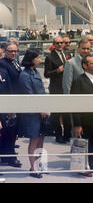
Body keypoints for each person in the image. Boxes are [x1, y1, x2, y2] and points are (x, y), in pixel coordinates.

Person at [18, 50, 47, 178]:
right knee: (34, 139)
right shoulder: (25, 75)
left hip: (42, 110)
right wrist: (40, 108)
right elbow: (29, 94)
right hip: (33, 113)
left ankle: (39, 165)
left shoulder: (35, 72)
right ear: (32, 59)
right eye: (37, 57)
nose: (39, 59)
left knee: (41, 138)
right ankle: (33, 168)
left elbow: (41, 91)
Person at [44, 36, 71, 144]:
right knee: (56, 114)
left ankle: (67, 135)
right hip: (56, 89)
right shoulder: (50, 57)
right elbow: (46, 74)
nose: (60, 45)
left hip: (67, 88)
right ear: (54, 45)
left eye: (61, 43)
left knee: (67, 113)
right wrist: (57, 71)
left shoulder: (67, 54)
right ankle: (58, 135)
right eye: (58, 43)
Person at [0, 42, 22, 168]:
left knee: (12, 131)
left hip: (16, 102)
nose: (13, 53)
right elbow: (5, 87)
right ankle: (9, 157)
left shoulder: (15, 62)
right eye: (10, 51)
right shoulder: (2, 64)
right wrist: (9, 107)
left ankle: (7, 154)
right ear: (5, 51)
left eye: (15, 51)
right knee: (8, 132)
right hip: (8, 104)